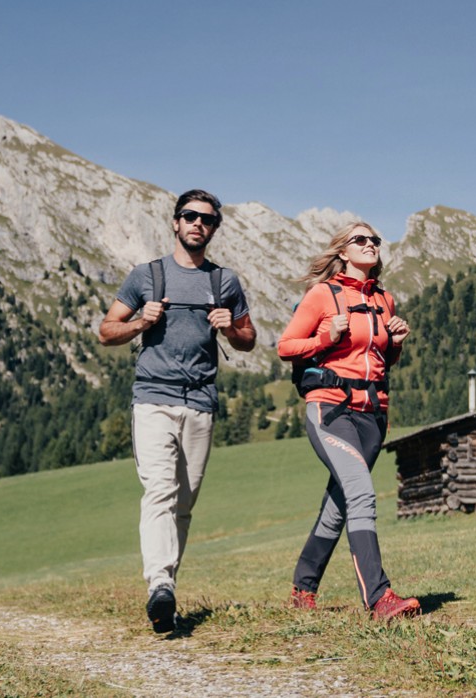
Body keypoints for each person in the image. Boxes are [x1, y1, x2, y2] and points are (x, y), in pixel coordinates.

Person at [98, 189, 256, 633]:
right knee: (160, 492)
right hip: (152, 398)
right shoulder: (146, 275)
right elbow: (106, 332)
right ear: (175, 222)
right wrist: (139, 323)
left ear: (214, 229)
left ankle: (164, 595)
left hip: (201, 403)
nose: (197, 224)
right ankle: (160, 585)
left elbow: (249, 338)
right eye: (189, 216)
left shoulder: (224, 281)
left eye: (206, 219)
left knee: (183, 505)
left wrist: (231, 328)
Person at [278, 222, 420, 620]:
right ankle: (380, 599)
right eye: (361, 239)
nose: (371, 245)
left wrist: (396, 343)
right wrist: (326, 337)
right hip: (330, 408)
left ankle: (303, 587)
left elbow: (381, 361)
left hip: (373, 415)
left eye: (375, 240)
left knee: (340, 505)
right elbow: (286, 346)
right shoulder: (322, 295)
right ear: (343, 251)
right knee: (360, 493)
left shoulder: (386, 300)